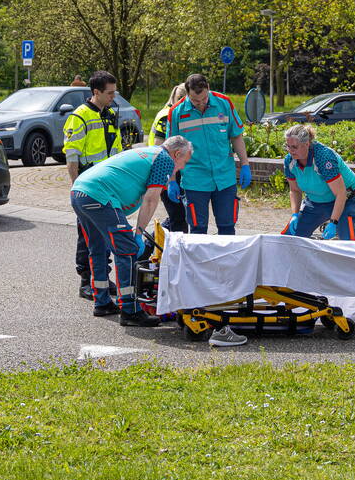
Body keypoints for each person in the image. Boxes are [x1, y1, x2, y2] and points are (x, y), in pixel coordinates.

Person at [71, 136, 194, 326]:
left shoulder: (149, 153)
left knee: (98, 249)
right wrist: (138, 234)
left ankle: (102, 302)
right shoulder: (164, 160)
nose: (182, 168)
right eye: (184, 162)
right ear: (177, 154)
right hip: (99, 195)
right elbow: (151, 199)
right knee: (127, 251)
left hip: (80, 192)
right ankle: (130, 310)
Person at [63, 70, 123, 300]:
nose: (113, 97)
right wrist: (76, 186)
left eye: (114, 92)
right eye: (109, 93)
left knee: (105, 233)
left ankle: (102, 278)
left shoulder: (109, 114)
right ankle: (86, 281)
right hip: (88, 185)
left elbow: (116, 149)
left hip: (107, 183)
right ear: (96, 92)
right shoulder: (79, 117)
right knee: (87, 235)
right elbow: (72, 156)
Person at [167, 73, 251, 234]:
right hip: (194, 180)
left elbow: (236, 136)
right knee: (198, 229)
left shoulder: (224, 103)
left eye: (204, 99)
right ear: (187, 93)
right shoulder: (176, 112)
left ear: (208, 89)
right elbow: (171, 150)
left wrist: (245, 164)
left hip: (224, 178)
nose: (201, 104)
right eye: (195, 100)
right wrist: (171, 180)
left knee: (227, 227)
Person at [281, 124, 355, 241]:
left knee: (351, 242)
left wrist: (333, 222)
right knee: (288, 238)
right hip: (316, 201)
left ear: (307, 144)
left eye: (294, 147)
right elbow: (295, 190)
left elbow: (341, 193)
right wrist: (294, 215)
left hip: (345, 199)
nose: (290, 151)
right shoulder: (289, 160)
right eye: (288, 146)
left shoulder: (323, 157)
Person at [148, 83, 188, 233]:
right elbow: (161, 149)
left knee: (178, 217)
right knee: (179, 219)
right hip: (165, 171)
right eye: (180, 98)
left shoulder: (178, 113)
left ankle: (150, 243)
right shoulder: (167, 115)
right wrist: (170, 180)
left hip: (175, 171)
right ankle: (150, 244)